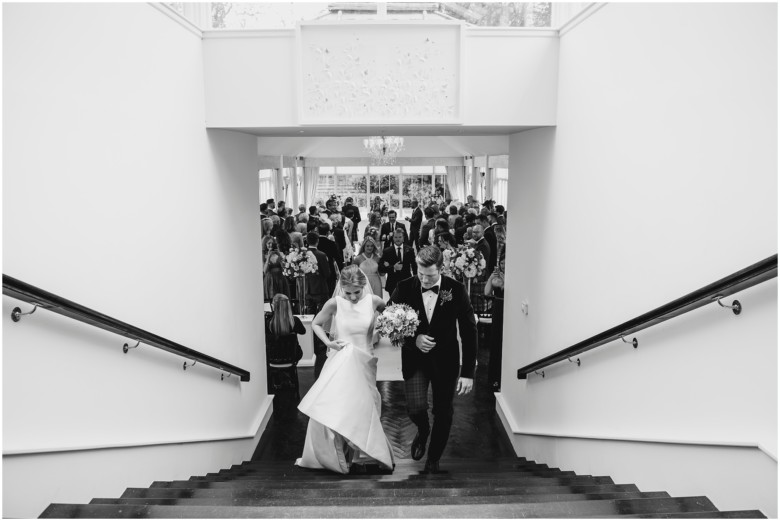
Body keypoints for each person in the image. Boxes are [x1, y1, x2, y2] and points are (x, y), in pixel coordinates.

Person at [296, 265, 395, 474]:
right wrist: (328, 343)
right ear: (341, 288)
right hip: (341, 360)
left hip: (365, 361)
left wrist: (395, 327)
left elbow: (392, 319)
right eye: (348, 292)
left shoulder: (374, 301)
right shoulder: (335, 303)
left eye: (356, 292)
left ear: (363, 287)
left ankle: (364, 455)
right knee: (340, 408)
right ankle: (337, 456)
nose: (352, 297)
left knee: (365, 407)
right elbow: (315, 323)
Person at [388, 246, 477, 473]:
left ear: (441, 268)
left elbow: (469, 331)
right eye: (420, 274)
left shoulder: (455, 290)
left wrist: (467, 372)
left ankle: (434, 458)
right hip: (415, 360)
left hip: (445, 361)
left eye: (430, 275)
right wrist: (413, 338)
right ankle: (423, 430)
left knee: (443, 412)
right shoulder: (404, 287)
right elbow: (388, 321)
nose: (425, 280)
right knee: (415, 408)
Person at [265, 294, 305, 397]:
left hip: (272, 360)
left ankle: (277, 381)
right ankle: (290, 380)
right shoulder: (294, 321)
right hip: (292, 358)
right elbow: (303, 331)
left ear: (274, 306)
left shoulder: (268, 322)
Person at [305, 232, 332, 378]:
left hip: (308, 290)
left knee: (309, 318)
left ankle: (310, 341)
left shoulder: (302, 255)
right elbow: (327, 274)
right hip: (321, 289)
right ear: (317, 241)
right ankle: (321, 343)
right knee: (321, 318)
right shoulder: (321, 255)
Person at [485, 254, 505, 392]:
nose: (503, 266)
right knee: (496, 340)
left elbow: (505, 289)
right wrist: (492, 277)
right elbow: (487, 292)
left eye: (505, 263)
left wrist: (502, 278)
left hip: (507, 307)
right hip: (497, 307)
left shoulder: (513, 276)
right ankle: (493, 378)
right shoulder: (496, 277)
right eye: (501, 263)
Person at [378, 229, 416, 296]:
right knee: (393, 305)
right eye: (395, 237)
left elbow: (415, 267)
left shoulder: (410, 250)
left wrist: (416, 281)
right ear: (393, 238)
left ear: (403, 238)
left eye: (400, 237)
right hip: (392, 284)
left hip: (407, 282)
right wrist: (393, 268)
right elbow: (380, 268)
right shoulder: (387, 251)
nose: (398, 239)